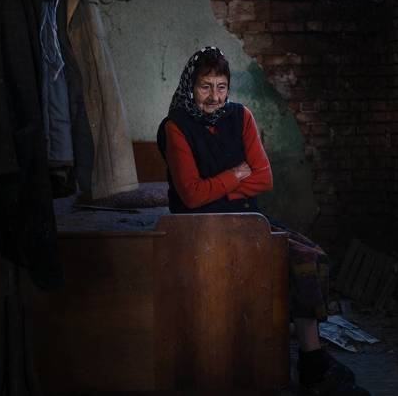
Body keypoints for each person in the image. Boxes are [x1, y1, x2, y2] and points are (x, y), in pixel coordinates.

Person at [157, 46, 370, 396]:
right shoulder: (175, 127)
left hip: (248, 219)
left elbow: (264, 179)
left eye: (221, 87)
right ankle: (313, 364)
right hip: (199, 227)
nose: (214, 97)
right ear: (190, 86)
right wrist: (236, 176)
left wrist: (218, 187)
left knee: (311, 256)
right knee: (290, 261)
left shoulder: (241, 117)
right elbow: (192, 197)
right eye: (205, 86)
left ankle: (310, 356)